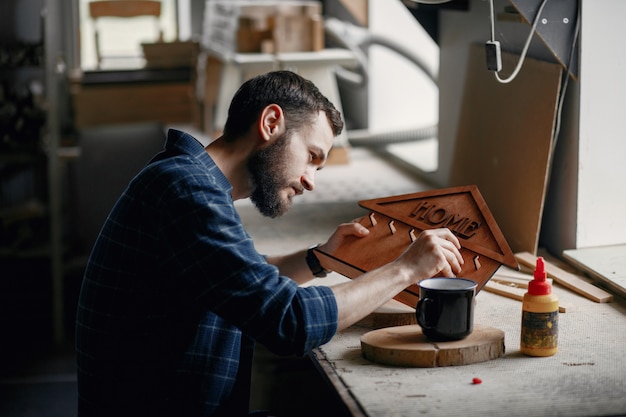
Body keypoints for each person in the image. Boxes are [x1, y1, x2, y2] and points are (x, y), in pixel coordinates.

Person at [75, 70, 463, 417]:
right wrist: (406, 269)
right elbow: (289, 321)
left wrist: (319, 259)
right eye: (312, 157)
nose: (311, 180)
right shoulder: (186, 191)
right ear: (271, 122)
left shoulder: (187, 180)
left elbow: (243, 280)